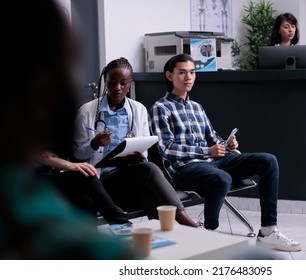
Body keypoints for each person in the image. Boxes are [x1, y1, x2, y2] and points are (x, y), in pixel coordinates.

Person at [1, 0, 137, 259]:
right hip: (44, 178)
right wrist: (71, 164)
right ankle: (122, 226)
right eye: (69, 63)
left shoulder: (136, 109)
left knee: (84, 196)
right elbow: (48, 154)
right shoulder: (19, 210)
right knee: (85, 174)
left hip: (48, 179)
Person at [149, 54, 302, 252]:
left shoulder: (197, 107)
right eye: (182, 73)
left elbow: (212, 137)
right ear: (170, 76)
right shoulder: (160, 108)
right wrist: (207, 150)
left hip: (214, 161)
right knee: (221, 178)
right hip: (185, 169)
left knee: (268, 161)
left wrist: (226, 144)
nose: (189, 77)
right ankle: (208, 234)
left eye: (192, 72)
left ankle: (268, 232)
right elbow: (166, 149)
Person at [72, 57, 199, 228]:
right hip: (100, 181)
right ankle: (188, 224)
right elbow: (76, 154)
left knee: (148, 191)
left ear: (130, 84)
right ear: (105, 81)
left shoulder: (138, 110)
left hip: (128, 175)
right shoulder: (87, 111)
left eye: (123, 83)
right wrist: (94, 144)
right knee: (150, 169)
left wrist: (138, 157)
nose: (118, 87)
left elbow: (143, 150)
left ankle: (166, 238)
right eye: (112, 82)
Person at [36, 152, 131, 225]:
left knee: (87, 200)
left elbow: (46, 155)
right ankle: (119, 221)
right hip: (30, 179)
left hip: (50, 175)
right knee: (84, 174)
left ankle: (91, 243)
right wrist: (70, 165)